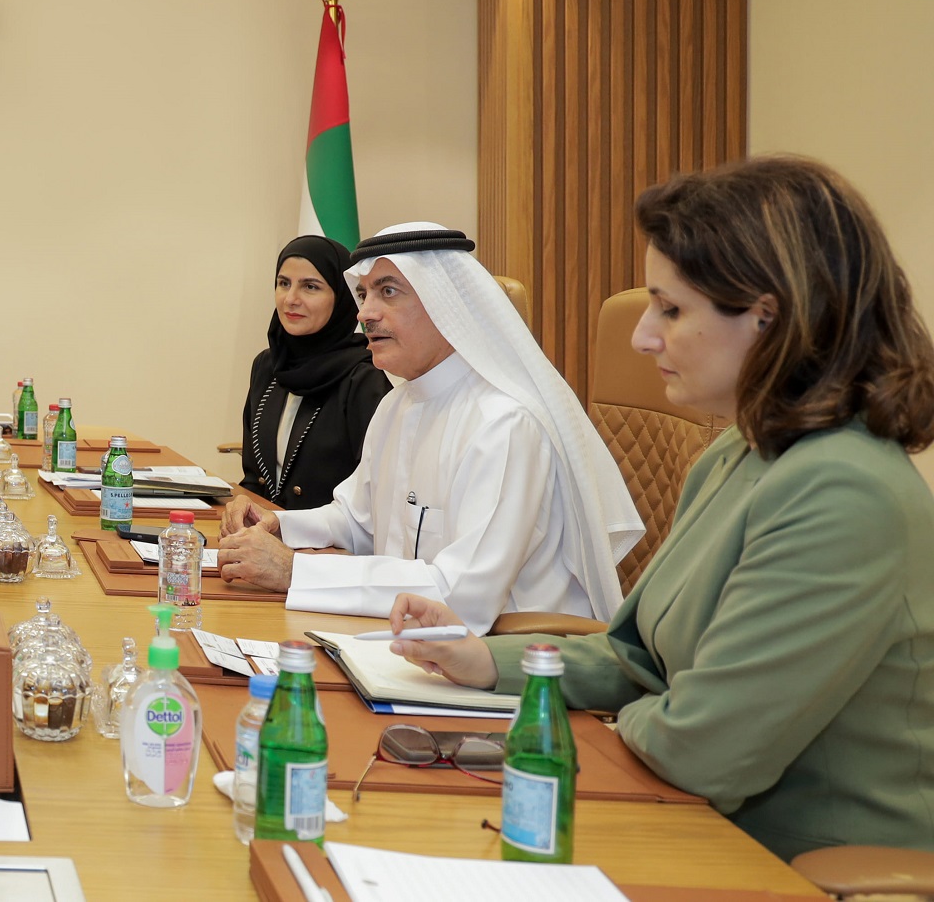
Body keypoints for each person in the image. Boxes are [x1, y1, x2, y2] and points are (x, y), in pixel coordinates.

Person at [388, 157, 934, 860]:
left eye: (671, 309)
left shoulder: (842, 490)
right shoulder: (738, 451)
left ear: (769, 317)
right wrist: (484, 662)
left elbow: (708, 749)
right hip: (681, 814)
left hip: (790, 862)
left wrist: (630, 719)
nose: (644, 336)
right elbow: (636, 656)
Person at [218, 223, 644, 634]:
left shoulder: (505, 424)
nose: (365, 313)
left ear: (446, 304)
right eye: (364, 294)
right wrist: (279, 525)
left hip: (507, 658)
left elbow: (460, 596)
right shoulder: (398, 404)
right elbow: (356, 519)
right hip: (408, 639)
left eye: (388, 292)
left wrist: (294, 570)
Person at [225, 235, 390, 514]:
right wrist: (242, 503)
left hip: (331, 538)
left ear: (341, 296)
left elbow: (373, 499)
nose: (291, 299)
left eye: (310, 287)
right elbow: (254, 477)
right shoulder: (268, 366)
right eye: (283, 283)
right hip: (265, 532)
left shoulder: (365, 378)